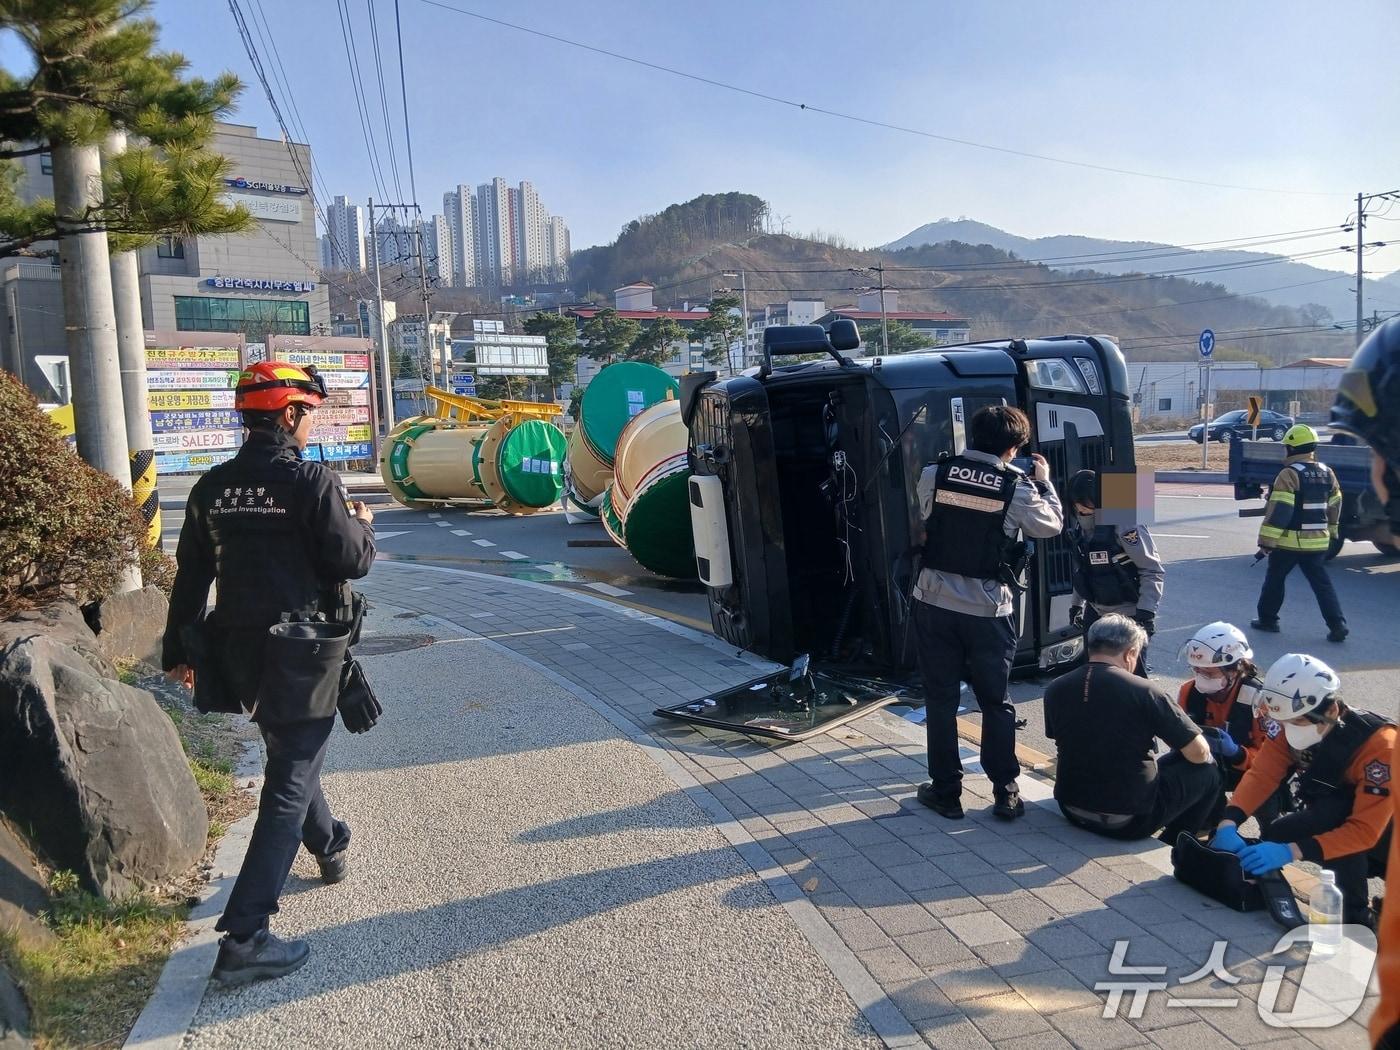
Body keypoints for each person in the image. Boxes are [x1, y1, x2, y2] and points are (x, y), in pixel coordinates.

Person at [162, 361, 377, 985]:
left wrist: (178, 652)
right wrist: (361, 525)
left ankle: (330, 841)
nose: (310, 422)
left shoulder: (211, 487)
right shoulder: (312, 482)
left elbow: (191, 579)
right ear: (288, 414)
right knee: (288, 779)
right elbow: (352, 561)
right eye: (307, 412)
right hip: (302, 653)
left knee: (289, 754)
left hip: (237, 653)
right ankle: (246, 936)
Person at [912, 405, 1064, 821]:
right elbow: (1050, 526)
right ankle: (1005, 793)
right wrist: (1044, 483)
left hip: (933, 600)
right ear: (1014, 448)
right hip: (987, 610)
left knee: (939, 701)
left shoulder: (934, 474)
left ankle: (946, 792)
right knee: (996, 703)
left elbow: (930, 517)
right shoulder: (1017, 487)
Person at [1210, 653, 1392, 929]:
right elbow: (1262, 774)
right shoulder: (1295, 723)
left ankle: (1358, 920)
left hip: (1386, 832)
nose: (1289, 730)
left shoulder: (1382, 747)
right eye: (1285, 722)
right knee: (1279, 833)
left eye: (1297, 723)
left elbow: (1365, 831)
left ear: (1331, 711)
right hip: (1354, 820)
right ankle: (1353, 914)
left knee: (1333, 823)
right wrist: (1228, 822)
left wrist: (1292, 851)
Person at [1045, 615, 1219, 841]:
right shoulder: (1144, 691)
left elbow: (1061, 735)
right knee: (1209, 770)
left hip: (1071, 808)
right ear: (1130, 653)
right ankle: (1177, 840)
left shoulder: (1056, 687)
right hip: (1128, 821)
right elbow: (1199, 753)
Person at [1177, 621, 1288, 828]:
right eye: (1197, 671)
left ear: (1235, 669)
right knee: (1177, 769)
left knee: (1265, 791)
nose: (1202, 678)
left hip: (1250, 768)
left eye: (1210, 673)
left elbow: (1271, 760)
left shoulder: (1259, 700)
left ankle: (1272, 834)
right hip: (1207, 763)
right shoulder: (1188, 692)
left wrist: (1237, 753)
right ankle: (1207, 818)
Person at [1250, 423, 1346, 643]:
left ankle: (1268, 620)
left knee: (1275, 579)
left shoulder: (1288, 474)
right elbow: (1336, 504)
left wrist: (1267, 542)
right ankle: (1338, 625)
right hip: (1317, 544)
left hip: (1289, 543)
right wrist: (1332, 531)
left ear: (1292, 449)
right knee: (1322, 585)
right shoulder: (1327, 472)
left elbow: (1281, 511)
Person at [1065, 468, 1164, 677]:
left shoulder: (1125, 523)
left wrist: (1146, 614)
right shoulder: (1079, 526)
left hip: (1128, 612)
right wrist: (1076, 604)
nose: (1080, 508)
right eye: (1077, 504)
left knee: (1132, 679)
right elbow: (1083, 570)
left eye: (1085, 503)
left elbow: (1152, 569)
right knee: (1093, 675)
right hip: (1096, 610)